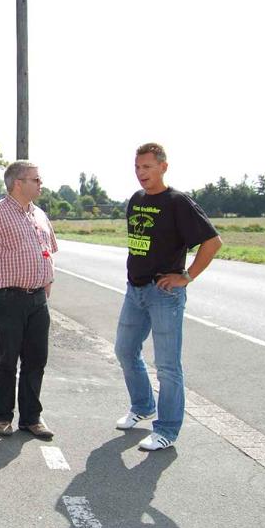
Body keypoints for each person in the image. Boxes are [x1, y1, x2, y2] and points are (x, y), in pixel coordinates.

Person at [113, 142, 222, 451]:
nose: (141, 172)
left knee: (167, 366)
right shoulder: (136, 200)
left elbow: (213, 242)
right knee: (125, 351)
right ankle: (143, 406)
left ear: (163, 167)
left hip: (164, 294)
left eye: (147, 166)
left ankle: (167, 429)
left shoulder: (178, 202)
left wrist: (186, 276)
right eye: (137, 167)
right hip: (134, 291)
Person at [0, 160, 59, 439]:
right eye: (35, 179)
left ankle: (31, 419)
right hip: (7, 299)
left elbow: (48, 249)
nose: (41, 184)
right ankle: (3, 418)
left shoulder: (39, 214)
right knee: (7, 360)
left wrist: (47, 282)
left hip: (37, 299)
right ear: (18, 183)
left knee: (36, 360)